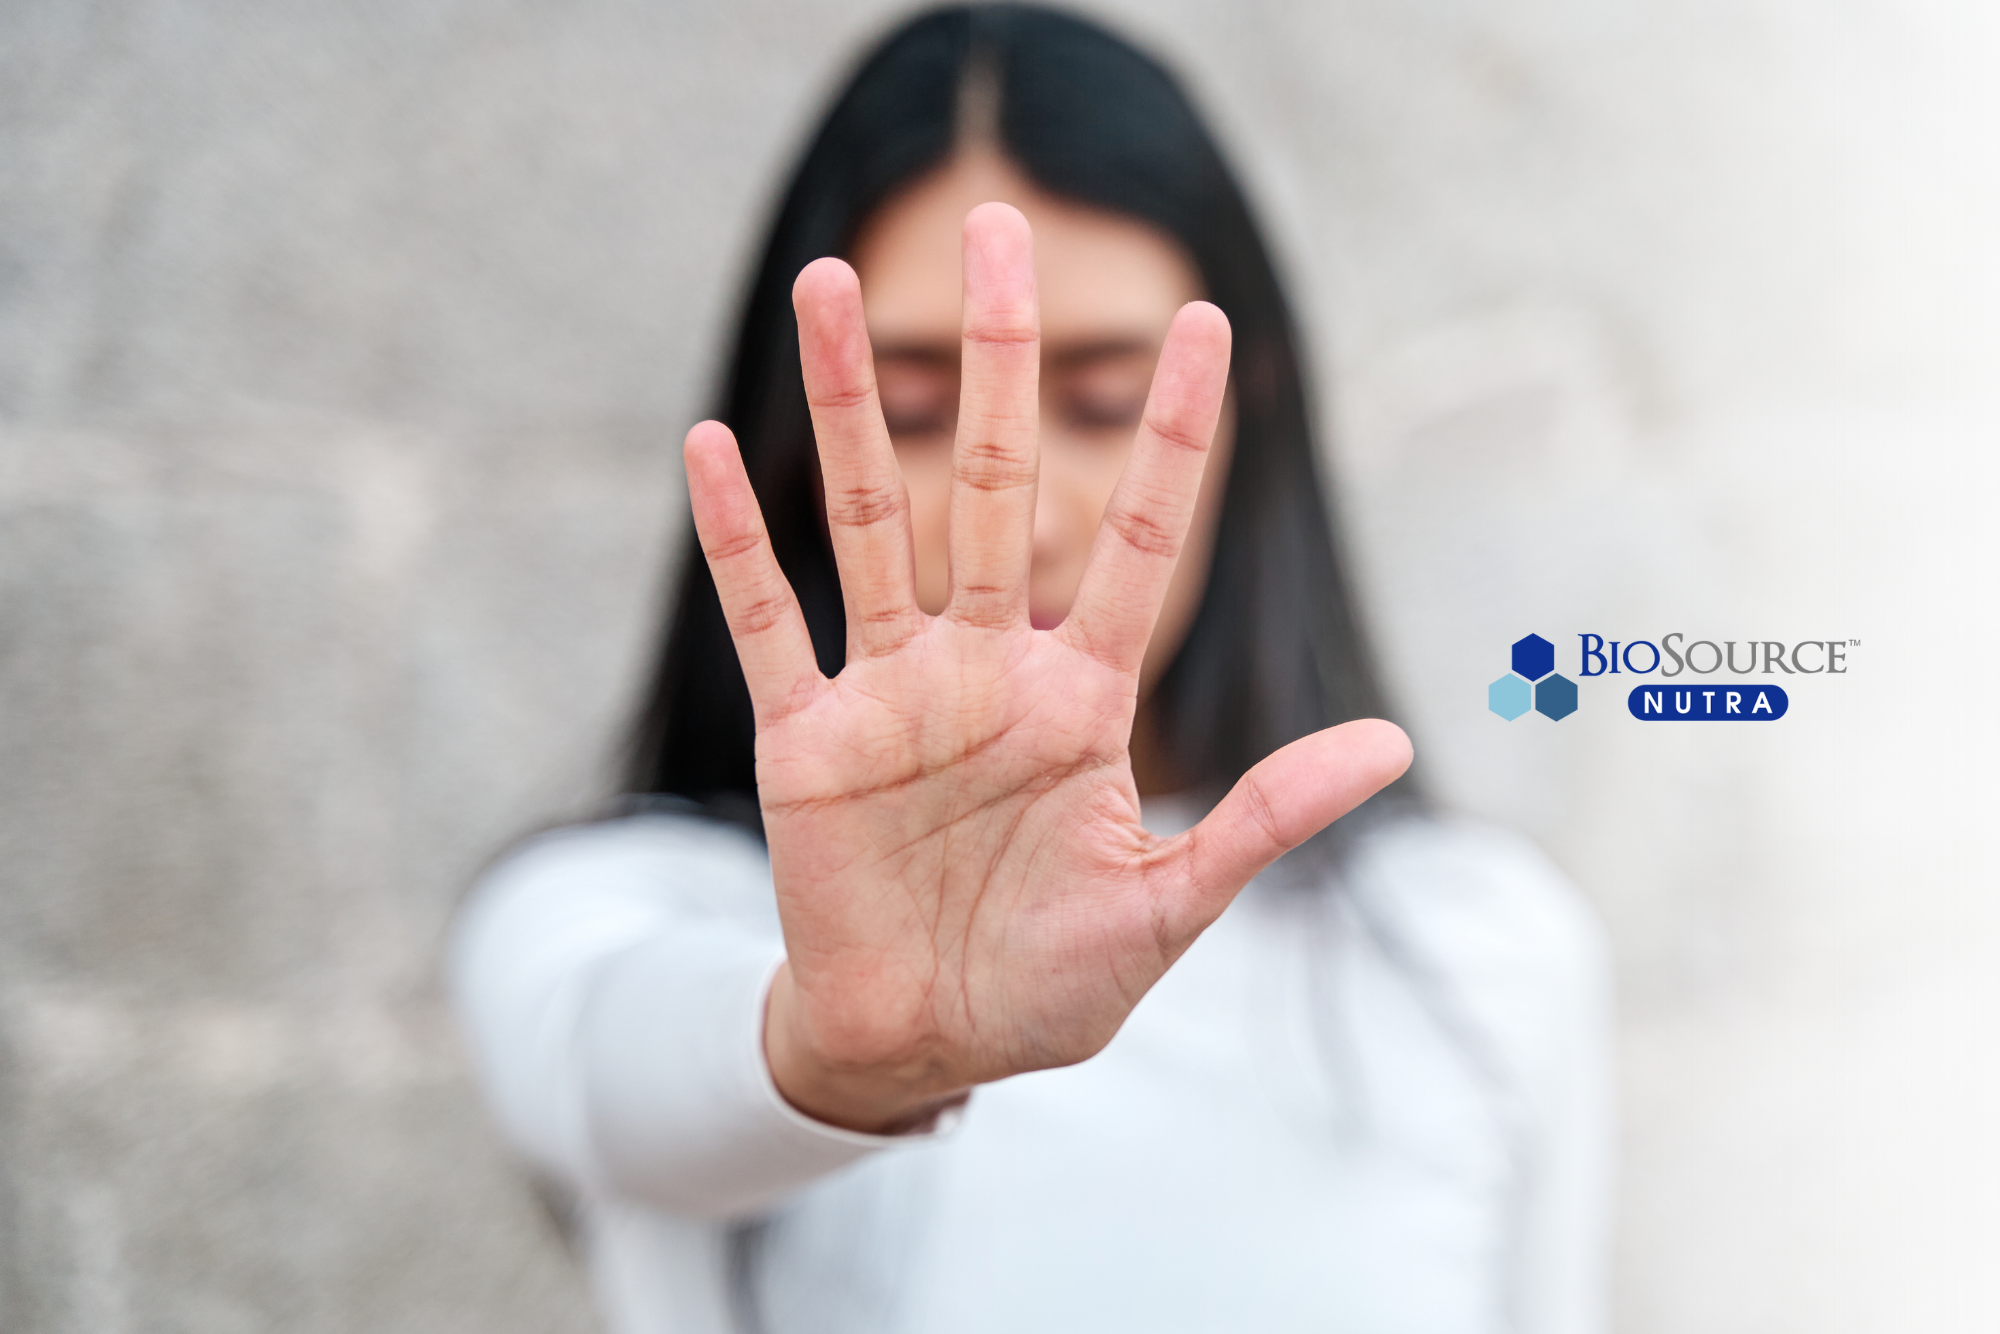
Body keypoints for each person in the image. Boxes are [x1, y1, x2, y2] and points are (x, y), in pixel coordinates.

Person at [450, 7, 1611, 1333]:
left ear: (1256, 407)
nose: (1027, 503)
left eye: (1111, 399)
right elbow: (630, 1074)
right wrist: (840, 1049)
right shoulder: (621, 919)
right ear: (798, 426)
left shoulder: (1483, 947)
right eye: (917, 409)